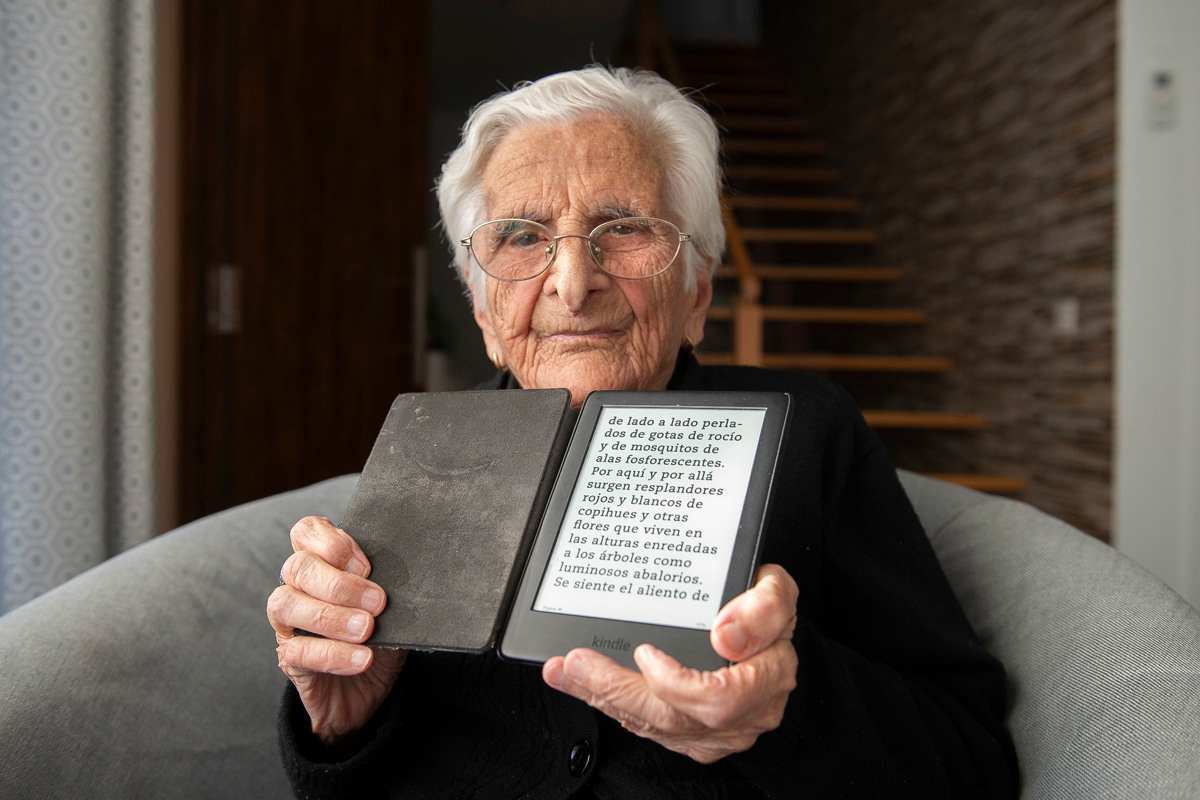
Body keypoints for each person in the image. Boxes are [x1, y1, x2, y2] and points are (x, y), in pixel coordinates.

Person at [266, 65, 1018, 798]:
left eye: (622, 228)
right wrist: (343, 728)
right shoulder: (428, 451)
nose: (572, 283)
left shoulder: (810, 428)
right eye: (522, 238)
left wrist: (789, 703)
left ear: (696, 290)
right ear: (483, 313)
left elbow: (970, 755)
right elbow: (346, 770)